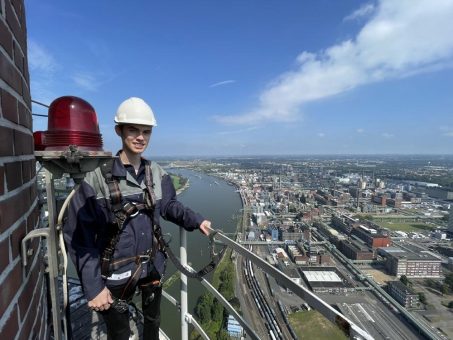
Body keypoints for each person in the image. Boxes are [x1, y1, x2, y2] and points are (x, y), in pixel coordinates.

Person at [64, 97, 211, 340]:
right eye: (133, 129)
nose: (141, 137)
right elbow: (79, 237)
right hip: (115, 272)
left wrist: (196, 220)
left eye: (146, 131)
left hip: (152, 265)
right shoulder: (97, 180)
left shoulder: (156, 173)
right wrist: (93, 287)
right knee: (119, 332)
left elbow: (169, 205)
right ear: (119, 130)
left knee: (153, 322)